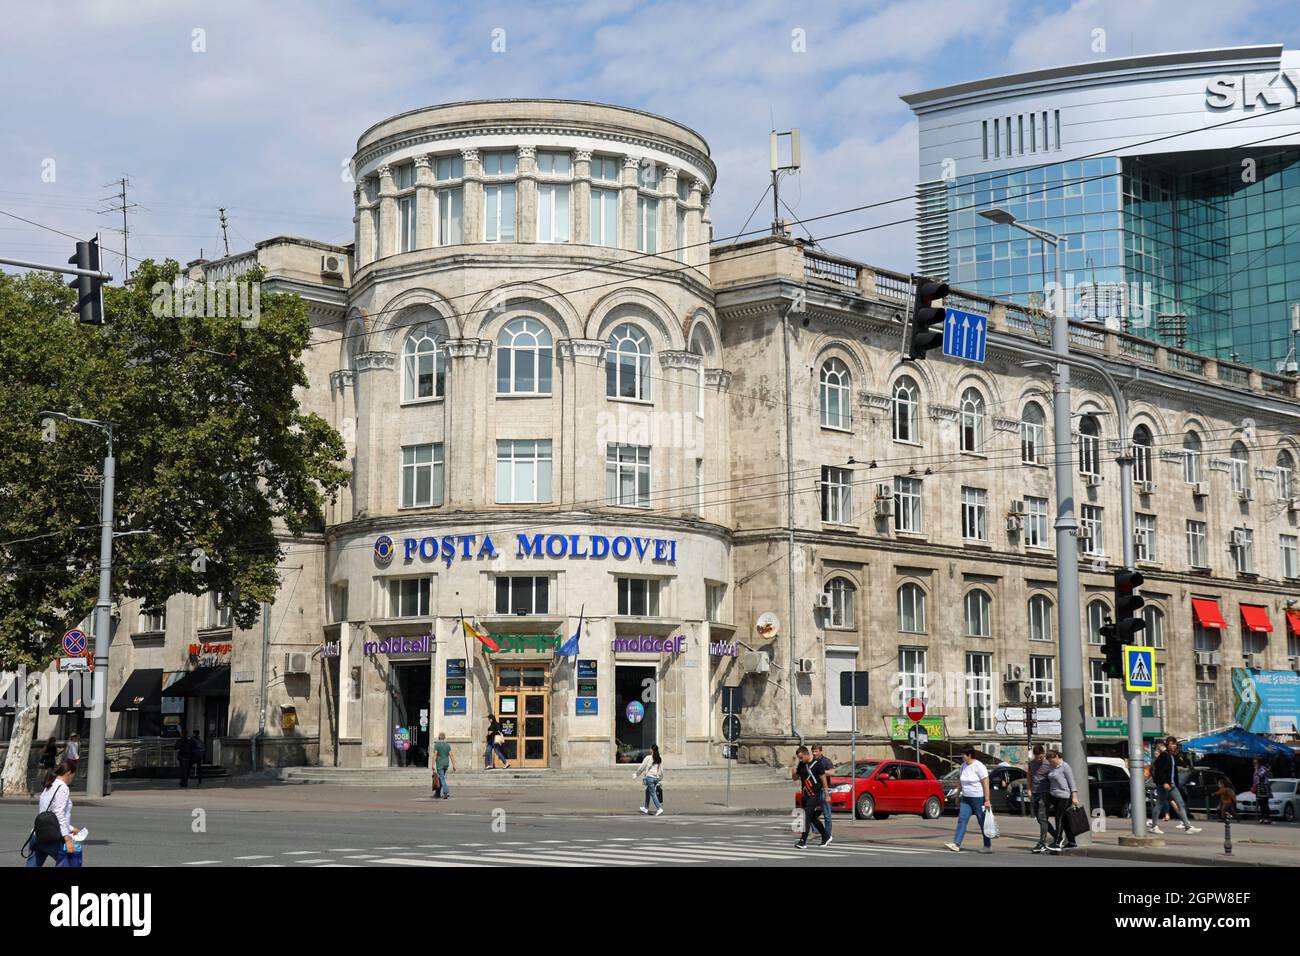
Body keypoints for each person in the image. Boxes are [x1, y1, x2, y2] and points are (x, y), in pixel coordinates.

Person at [24, 760, 79, 867]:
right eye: (73, 775)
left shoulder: (50, 784)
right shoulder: (62, 787)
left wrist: (71, 828)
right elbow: (58, 813)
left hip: (38, 835)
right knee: (71, 863)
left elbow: (48, 813)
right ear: (69, 773)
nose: (73, 778)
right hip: (53, 838)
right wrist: (67, 838)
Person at [945, 747, 992, 853]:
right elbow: (960, 782)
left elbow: (985, 783)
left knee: (982, 822)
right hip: (965, 798)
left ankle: (987, 846)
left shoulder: (979, 766)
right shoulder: (963, 766)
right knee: (962, 820)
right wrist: (957, 796)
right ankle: (956, 844)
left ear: (969, 755)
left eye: (963, 755)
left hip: (978, 798)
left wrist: (987, 800)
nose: (962, 757)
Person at [1151, 737, 1202, 835]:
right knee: (1160, 804)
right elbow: (1159, 771)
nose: (1174, 746)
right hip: (1164, 785)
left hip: (1172, 785)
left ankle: (1187, 826)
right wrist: (1164, 782)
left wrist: (1185, 764)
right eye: (1172, 744)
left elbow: (1174, 769)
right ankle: (1154, 826)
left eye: (1175, 744)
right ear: (1167, 744)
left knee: (1181, 803)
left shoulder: (1171, 756)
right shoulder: (1164, 755)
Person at [791, 746, 830, 848]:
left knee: (806, 816)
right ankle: (826, 835)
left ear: (807, 754)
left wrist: (827, 794)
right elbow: (796, 778)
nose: (800, 759)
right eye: (799, 758)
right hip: (805, 794)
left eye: (801, 757)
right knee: (812, 818)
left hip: (814, 794)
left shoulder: (818, 764)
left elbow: (824, 779)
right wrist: (793, 773)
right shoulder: (801, 764)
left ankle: (803, 841)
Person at [1044, 749, 1080, 853]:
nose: (1051, 763)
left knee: (1059, 817)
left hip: (1065, 796)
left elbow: (1071, 781)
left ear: (1057, 757)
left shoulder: (1065, 766)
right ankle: (1072, 841)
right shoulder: (1051, 767)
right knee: (1066, 820)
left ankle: (1058, 841)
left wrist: (1074, 796)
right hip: (1054, 796)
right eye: (1049, 762)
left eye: (1052, 761)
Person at [1027, 744, 1053, 853]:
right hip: (1035, 793)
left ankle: (1042, 842)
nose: (1039, 759)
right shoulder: (1031, 764)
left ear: (1044, 754)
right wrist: (1029, 789)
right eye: (1037, 757)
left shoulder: (1048, 764)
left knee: (1042, 817)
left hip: (1045, 793)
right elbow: (1029, 776)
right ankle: (1057, 836)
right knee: (1040, 819)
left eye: (1041, 757)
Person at [811, 744, 834, 841]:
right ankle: (816, 831)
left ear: (820, 751)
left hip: (825, 791)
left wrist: (821, 772)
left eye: (816, 751)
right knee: (810, 812)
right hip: (814, 791)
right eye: (813, 751)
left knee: (827, 815)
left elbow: (832, 772)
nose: (814, 753)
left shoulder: (826, 761)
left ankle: (827, 835)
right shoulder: (812, 762)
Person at [634, 744, 664, 816]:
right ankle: (646, 808)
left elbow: (642, 767)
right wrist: (659, 779)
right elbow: (661, 770)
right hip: (656, 778)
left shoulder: (648, 758)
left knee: (653, 793)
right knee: (647, 791)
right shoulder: (659, 758)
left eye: (650, 749)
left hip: (650, 778)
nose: (649, 750)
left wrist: (636, 774)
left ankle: (659, 808)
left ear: (652, 750)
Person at [432, 731, 454, 799]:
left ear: (439, 737)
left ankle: (446, 792)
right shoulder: (447, 745)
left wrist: (432, 764)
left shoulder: (437, 745)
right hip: (446, 764)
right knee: (441, 778)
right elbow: (451, 755)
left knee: (442, 778)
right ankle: (437, 793)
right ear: (444, 738)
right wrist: (454, 765)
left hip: (440, 764)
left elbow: (435, 755)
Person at [1252, 757, 1272, 825]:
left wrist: (1257, 770)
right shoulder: (1256, 769)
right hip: (1258, 787)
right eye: (1254, 763)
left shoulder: (1263, 769)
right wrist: (1254, 786)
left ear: (1259, 763)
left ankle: (1267, 818)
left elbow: (1261, 775)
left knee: (1264, 803)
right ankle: (1262, 817)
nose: (1255, 764)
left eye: (1256, 763)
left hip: (1264, 787)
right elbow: (1255, 779)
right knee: (1260, 803)